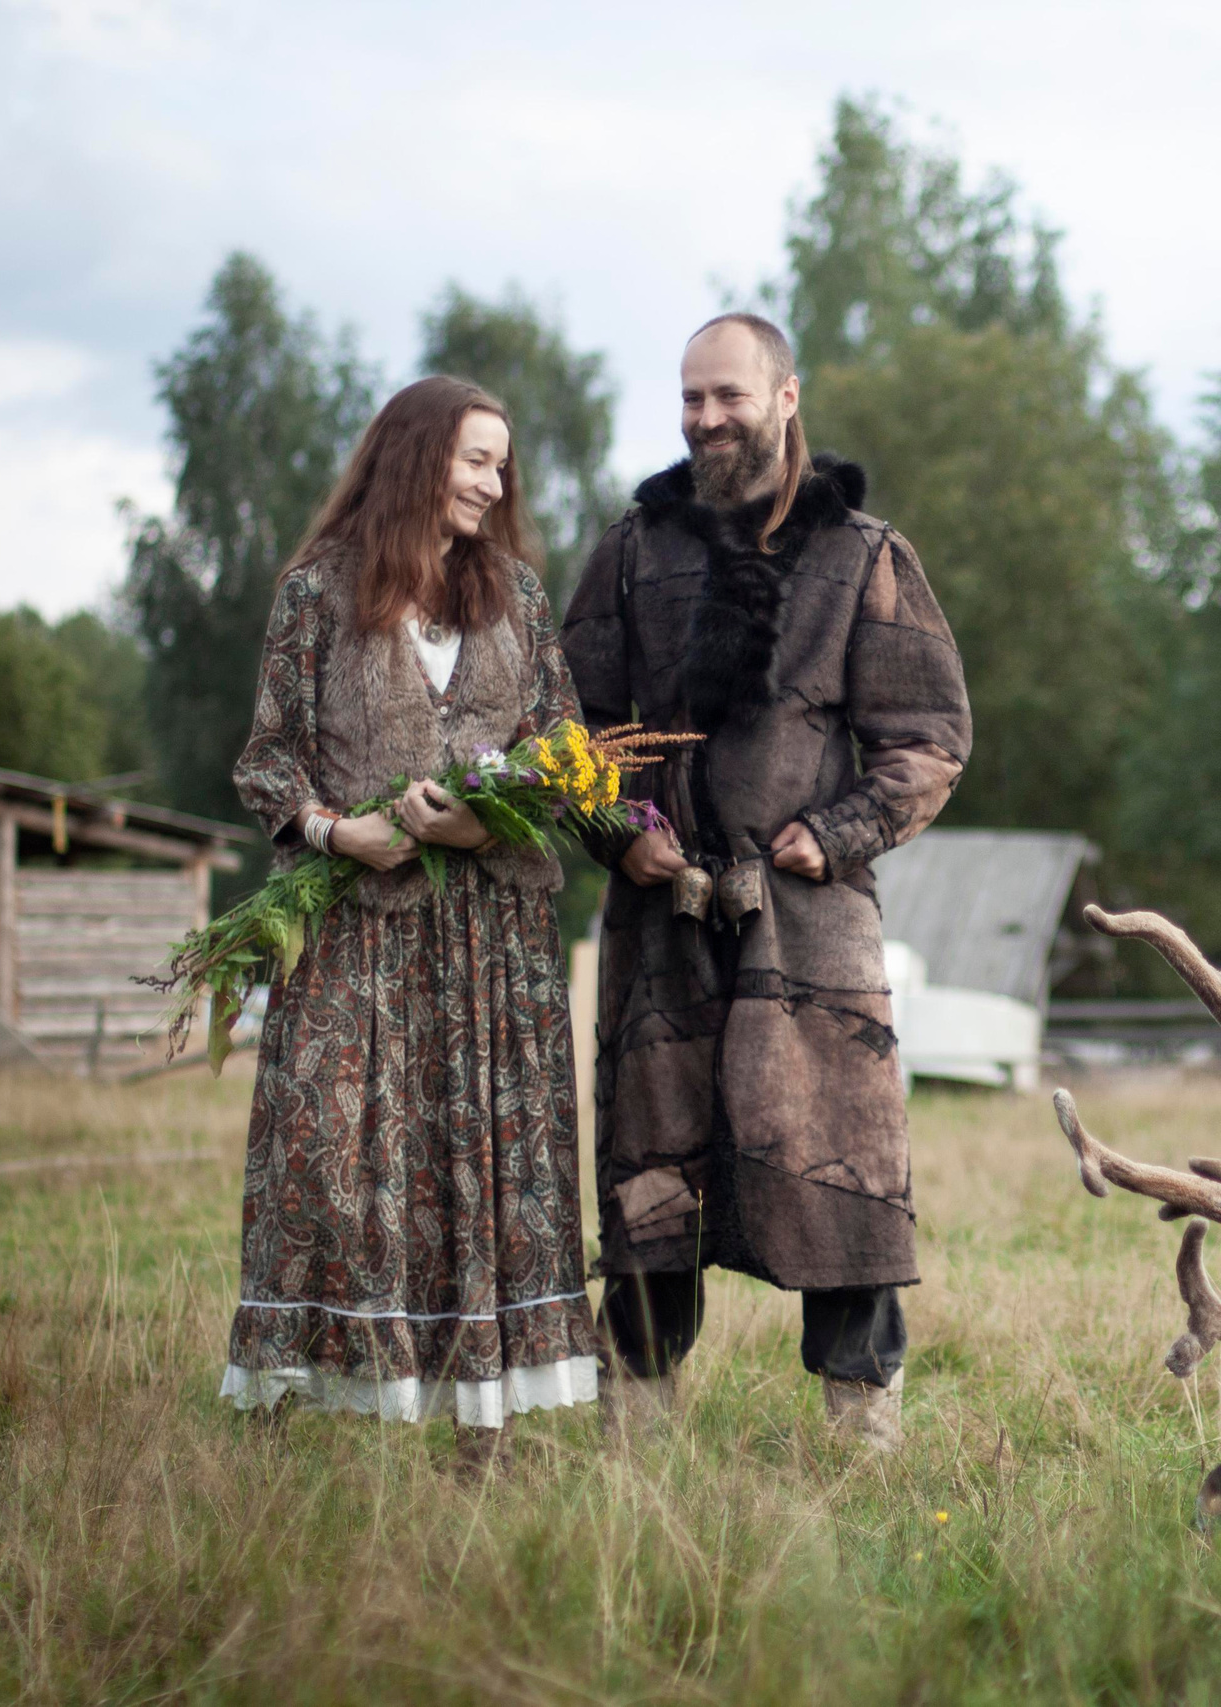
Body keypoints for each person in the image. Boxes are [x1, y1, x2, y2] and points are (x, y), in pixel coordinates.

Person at [562, 313, 970, 1450]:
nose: (703, 419)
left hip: (811, 923)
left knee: (841, 1171)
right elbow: (568, 728)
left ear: (786, 398)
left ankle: (861, 1436)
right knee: (652, 1178)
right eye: (690, 399)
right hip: (662, 918)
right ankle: (635, 1434)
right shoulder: (631, 552)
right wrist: (615, 829)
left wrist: (834, 834)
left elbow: (930, 740)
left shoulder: (866, 557)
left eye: (727, 397)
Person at [224, 376, 599, 1471]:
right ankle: (335, 1411)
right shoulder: (316, 595)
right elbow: (267, 758)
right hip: (355, 930)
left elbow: (563, 746)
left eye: (503, 465)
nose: (495, 482)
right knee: (338, 1161)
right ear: (413, 456)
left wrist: (492, 824)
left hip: (494, 941)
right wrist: (340, 834)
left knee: (482, 1162)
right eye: (476, 459)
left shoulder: (518, 597)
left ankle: (480, 1417)